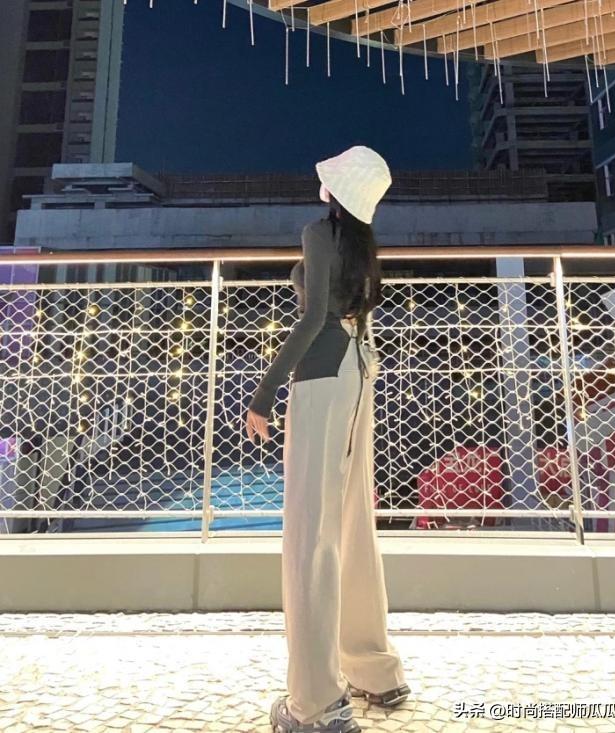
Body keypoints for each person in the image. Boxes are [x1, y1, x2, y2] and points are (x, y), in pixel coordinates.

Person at [245, 145, 410, 733]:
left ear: (335, 188)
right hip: (360, 370)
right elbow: (349, 313)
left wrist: (264, 392)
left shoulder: (319, 233)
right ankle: (374, 670)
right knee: (352, 520)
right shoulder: (363, 243)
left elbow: (312, 316)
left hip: (322, 375)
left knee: (310, 530)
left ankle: (315, 704)